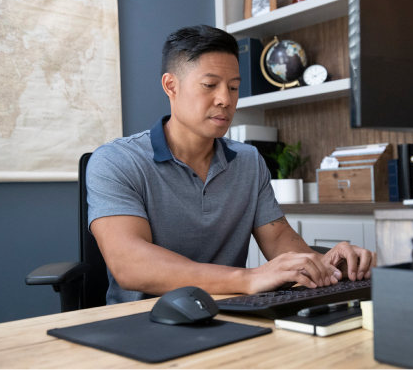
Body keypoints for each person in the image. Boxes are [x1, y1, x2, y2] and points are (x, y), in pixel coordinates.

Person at [87, 25, 377, 305]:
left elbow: (278, 238)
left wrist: (321, 265)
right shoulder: (116, 161)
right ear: (171, 86)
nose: (226, 99)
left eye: (234, 87)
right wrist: (248, 278)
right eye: (210, 85)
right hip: (144, 323)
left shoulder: (249, 161)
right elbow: (131, 265)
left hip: (231, 314)